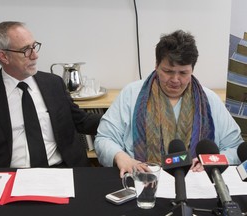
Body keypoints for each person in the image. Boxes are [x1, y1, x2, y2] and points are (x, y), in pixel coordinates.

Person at [94, 30, 244, 177]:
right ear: (156, 65)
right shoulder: (131, 94)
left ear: (192, 69)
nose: (175, 79)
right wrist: (121, 157)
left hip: (197, 183)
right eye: (168, 71)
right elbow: (104, 138)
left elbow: (235, 147)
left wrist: (210, 161)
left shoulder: (210, 100)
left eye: (183, 73)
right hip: (142, 179)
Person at [0, 21, 102, 168]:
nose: (35, 55)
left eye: (34, 46)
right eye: (26, 50)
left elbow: (81, 121)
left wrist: (121, 119)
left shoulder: (54, 83)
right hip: (12, 175)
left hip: (63, 169)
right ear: (3, 56)